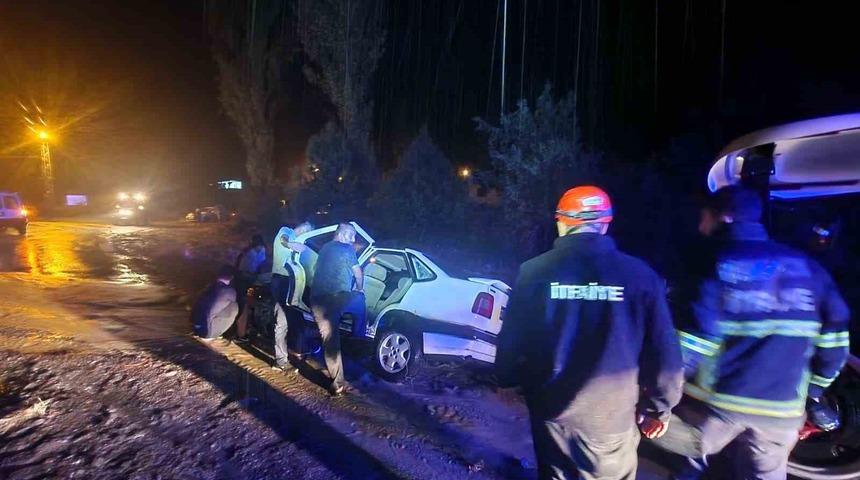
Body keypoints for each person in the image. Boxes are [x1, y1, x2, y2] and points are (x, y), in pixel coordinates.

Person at [658, 185, 851, 480]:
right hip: (781, 412)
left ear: (723, 217)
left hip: (716, 408)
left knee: (686, 458)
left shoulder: (715, 263)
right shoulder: (809, 269)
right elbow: (835, 344)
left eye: (704, 216)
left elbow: (695, 342)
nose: (700, 224)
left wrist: (658, 392)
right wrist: (813, 391)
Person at [496, 185, 684, 480]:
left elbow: (512, 340)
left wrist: (507, 378)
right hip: (611, 420)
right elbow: (666, 356)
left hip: (552, 412)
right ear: (604, 224)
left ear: (562, 222)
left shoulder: (534, 272)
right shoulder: (640, 277)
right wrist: (658, 409)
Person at [310, 223, 366, 396]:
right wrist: (359, 287)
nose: (352, 240)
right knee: (360, 300)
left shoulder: (324, 248)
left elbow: (316, 270)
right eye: (351, 235)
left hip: (317, 300)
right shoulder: (347, 249)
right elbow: (358, 273)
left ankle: (337, 382)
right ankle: (360, 335)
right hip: (337, 298)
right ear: (341, 234)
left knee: (329, 340)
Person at [272, 221, 315, 372]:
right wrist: (291, 245)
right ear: (304, 227)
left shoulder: (298, 240)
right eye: (307, 231)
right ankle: (281, 361)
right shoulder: (287, 231)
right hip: (281, 280)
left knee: (295, 318)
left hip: (290, 281)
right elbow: (283, 240)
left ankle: (295, 350)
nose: (305, 235)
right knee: (282, 321)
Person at [233, 234, 268, 341]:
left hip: (252, 276)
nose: (260, 249)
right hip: (244, 278)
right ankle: (243, 328)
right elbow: (243, 270)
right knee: (244, 303)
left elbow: (261, 264)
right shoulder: (248, 253)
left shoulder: (261, 250)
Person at [191, 266, 240, 340]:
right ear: (232, 277)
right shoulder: (229, 291)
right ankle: (236, 334)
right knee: (235, 306)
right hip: (208, 331)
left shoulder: (209, 287)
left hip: (196, 327)